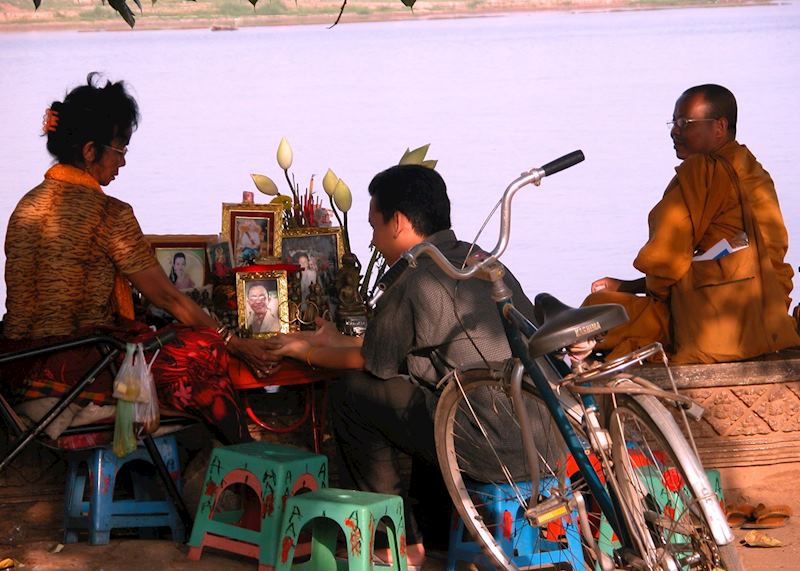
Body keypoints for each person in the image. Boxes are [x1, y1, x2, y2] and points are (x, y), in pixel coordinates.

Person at [264, 164, 552, 567]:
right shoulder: (477, 258)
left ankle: (395, 543)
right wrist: (330, 339)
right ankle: (434, 531)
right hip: (548, 441)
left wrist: (304, 351)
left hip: (496, 449)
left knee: (353, 395)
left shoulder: (417, 276)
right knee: (430, 390)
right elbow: (399, 343)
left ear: (397, 222)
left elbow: (372, 362)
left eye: (374, 226)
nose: (373, 239)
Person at [0, 73, 280, 445]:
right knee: (202, 349)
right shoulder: (108, 214)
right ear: (89, 151)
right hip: (76, 368)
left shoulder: (26, 207)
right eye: (120, 151)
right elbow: (169, 297)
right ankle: (244, 458)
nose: (123, 163)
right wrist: (233, 340)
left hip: (16, 366)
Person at [584, 84, 800, 364]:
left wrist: (627, 289)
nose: (674, 131)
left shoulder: (703, 171)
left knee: (596, 310)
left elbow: (665, 264)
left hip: (709, 323)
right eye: (673, 123)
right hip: (767, 314)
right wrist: (630, 284)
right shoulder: (752, 170)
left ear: (719, 127)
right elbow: (772, 255)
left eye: (685, 123)